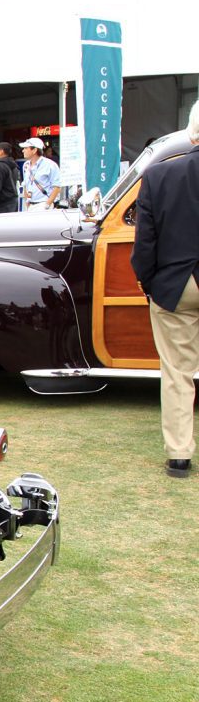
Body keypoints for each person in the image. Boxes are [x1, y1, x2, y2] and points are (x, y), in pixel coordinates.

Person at [130, 99, 199, 479]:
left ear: (192, 131)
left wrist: (149, 281)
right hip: (177, 281)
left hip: (176, 285)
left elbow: (145, 244)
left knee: (177, 373)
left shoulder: (160, 176)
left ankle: (179, 455)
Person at [20, 138, 61, 210]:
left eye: (26, 148)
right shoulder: (26, 165)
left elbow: (57, 187)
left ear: (34, 150)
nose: (23, 151)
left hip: (43, 204)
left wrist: (48, 204)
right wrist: (27, 202)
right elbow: (25, 185)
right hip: (30, 205)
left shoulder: (50, 165)